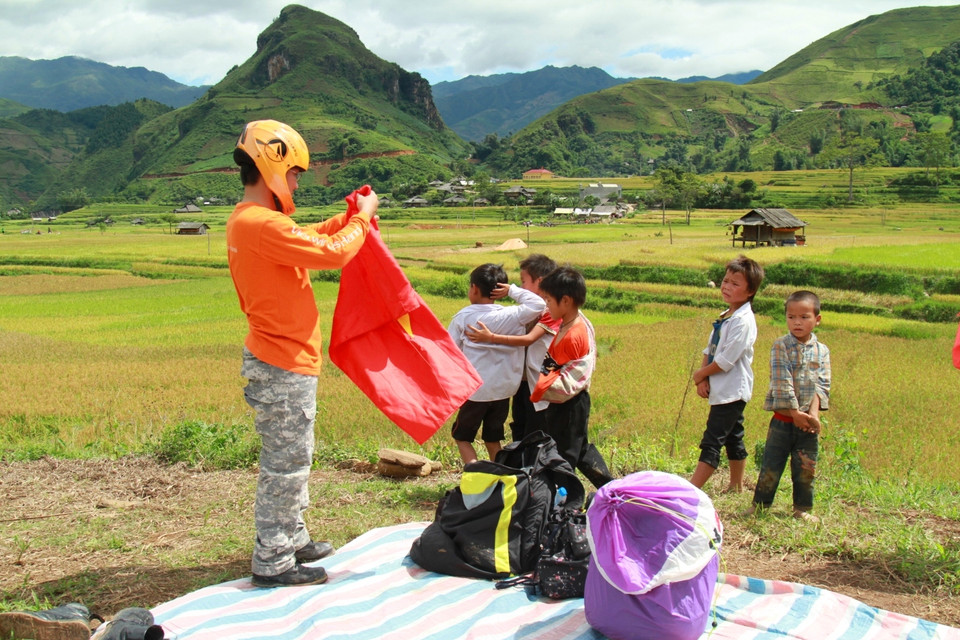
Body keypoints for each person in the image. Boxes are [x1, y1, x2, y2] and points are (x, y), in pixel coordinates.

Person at [226, 120, 378, 588]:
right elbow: (331, 253)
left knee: (295, 457)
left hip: (283, 360)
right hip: (281, 363)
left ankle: (292, 536)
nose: (295, 184)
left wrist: (347, 219)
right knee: (286, 465)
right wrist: (361, 219)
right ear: (272, 165)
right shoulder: (260, 223)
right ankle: (274, 559)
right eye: (294, 173)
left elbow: (309, 237)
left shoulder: (255, 222)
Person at [744, 290, 831, 523]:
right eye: (791, 317)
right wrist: (795, 413)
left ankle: (802, 508)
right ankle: (760, 505)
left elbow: (822, 384)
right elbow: (782, 381)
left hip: (808, 425)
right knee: (771, 465)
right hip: (783, 421)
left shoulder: (822, 351)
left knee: (806, 468)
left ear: (817, 319)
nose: (797, 322)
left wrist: (813, 415)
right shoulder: (781, 346)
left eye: (804, 317)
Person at [448, 263, 546, 464]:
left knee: (462, 437)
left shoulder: (463, 317)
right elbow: (538, 304)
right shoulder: (513, 315)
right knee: (493, 437)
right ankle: (498, 473)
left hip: (476, 391)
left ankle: (475, 474)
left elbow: (450, 351)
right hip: (504, 390)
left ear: (474, 288)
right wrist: (511, 290)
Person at [530, 266, 615, 488]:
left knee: (564, 457)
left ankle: (566, 501)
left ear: (566, 301)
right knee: (580, 450)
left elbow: (562, 379)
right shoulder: (571, 321)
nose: (546, 305)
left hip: (569, 405)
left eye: (549, 300)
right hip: (569, 403)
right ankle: (611, 488)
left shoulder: (573, 334)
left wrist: (540, 386)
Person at [465, 253, 560, 442]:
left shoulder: (552, 311)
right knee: (520, 426)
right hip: (522, 381)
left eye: (523, 282)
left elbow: (528, 339)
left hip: (540, 382)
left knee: (535, 432)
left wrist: (491, 337)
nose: (521, 287)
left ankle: (532, 461)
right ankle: (520, 460)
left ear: (540, 282)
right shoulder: (528, 311)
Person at [690, 255, 764, 492]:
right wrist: (703, 378)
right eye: (725, 281)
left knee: (712, 440)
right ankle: (736, 485)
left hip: (732, 389)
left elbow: (725, 361)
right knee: (734, 436)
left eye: (735, 283)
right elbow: (710, 349)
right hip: (721, 387)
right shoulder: (726, 316)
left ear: (750, 291)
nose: (726, 287)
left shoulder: (743, 322)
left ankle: (692, 489)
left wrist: (700, 374)